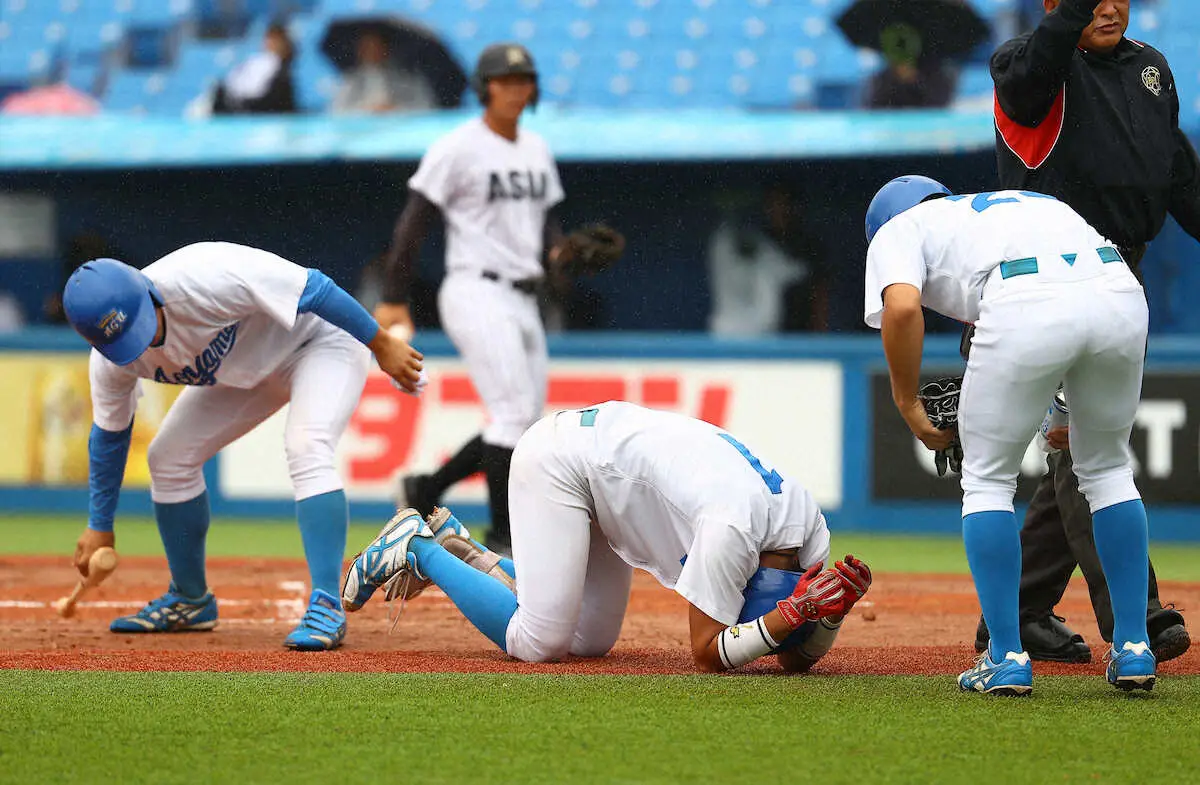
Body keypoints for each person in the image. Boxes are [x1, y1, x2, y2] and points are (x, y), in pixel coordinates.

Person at [971, 0, 1200, 664]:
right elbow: (1039, 64)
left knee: (1076, 450)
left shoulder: (1151, 68)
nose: (1107, 6)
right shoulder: (1025, 64)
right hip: (1045, 280)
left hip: (1122, 276)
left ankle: (1018, 608)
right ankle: (1138, 613)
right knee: (1084, 448)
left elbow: (1179, 175)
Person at [866, 176, 1157, 695]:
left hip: (1023, 297)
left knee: (986, 482)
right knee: (1110, 470)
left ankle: (1005, 657)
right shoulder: (1026, 202)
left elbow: (903, 308)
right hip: (1118, 289)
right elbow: (1077, 291)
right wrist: (1066, 408)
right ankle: (1135, 647)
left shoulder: (897, 228)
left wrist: (907, 401)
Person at [63, 244, 423, 651]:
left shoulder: (206, 274)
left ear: (148, 290)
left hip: (319, 341)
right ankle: (190, 599)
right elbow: (110, 435)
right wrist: (99, 526)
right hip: (245, 374)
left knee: (307, 445)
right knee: (168, 459)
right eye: (126, 340)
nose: (144, 342)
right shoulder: (111, 360)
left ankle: (327, 603)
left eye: (142, 324)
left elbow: (316, 288)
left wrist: (380, 343)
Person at [341, 401, 872, 671]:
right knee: (540, 643)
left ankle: (466, 552)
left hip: (608, 468)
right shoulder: (732, 532)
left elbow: (790, 654)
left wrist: (828, 615)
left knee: (589, 642)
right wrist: (798, 615)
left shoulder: (808, 537)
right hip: (563, 461)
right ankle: (418, 547)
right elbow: (709, 653)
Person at [372, 43, 566, 554]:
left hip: (524, 294)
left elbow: (544, 220)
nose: (516, 88)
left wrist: (560, 250)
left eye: (524, 79)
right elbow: (414, 221)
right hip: (475, 287)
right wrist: (394, 295)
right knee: (511, 414)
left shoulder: (536, 148)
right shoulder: (459, 145)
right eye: (505, 79)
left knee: (524, 419)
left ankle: (426, 489)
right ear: (486, 87)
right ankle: (503, 536)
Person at [331, 30, 436, 114]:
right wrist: (366, 110)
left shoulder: (406, 77)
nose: (371, 52)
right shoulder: (351, 80)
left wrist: (396, 109)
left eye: (375, 46)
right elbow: (338, 111)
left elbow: (425, 106)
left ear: (385, 48)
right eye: (366, 48)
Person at [864, 23, 957, 109]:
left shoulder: (937, 76)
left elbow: (939, 107)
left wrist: (914, 80)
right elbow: (875, 110)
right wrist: (896, 80)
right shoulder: (880, 80)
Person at [212, 22, 297, 114]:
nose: (270, 44)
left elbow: (271, 100)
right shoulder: (257, 62)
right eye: (269, 39)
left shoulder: (282, 74)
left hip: (264, 110)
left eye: (275, 41)